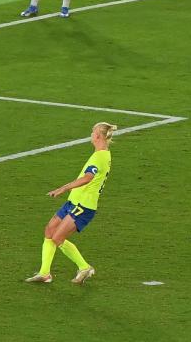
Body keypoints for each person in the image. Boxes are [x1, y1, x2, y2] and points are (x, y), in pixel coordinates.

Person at [25, 122, 117, 284]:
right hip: (74, 201)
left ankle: (84, 267)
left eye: (92, 131)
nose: (91, 134)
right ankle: (44, 273)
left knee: (58, 238)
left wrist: (63, 188)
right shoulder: (104, 154)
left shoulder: (99, 157)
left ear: (97, 136)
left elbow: (88, 177)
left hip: (83, 206)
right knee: (49, 230)